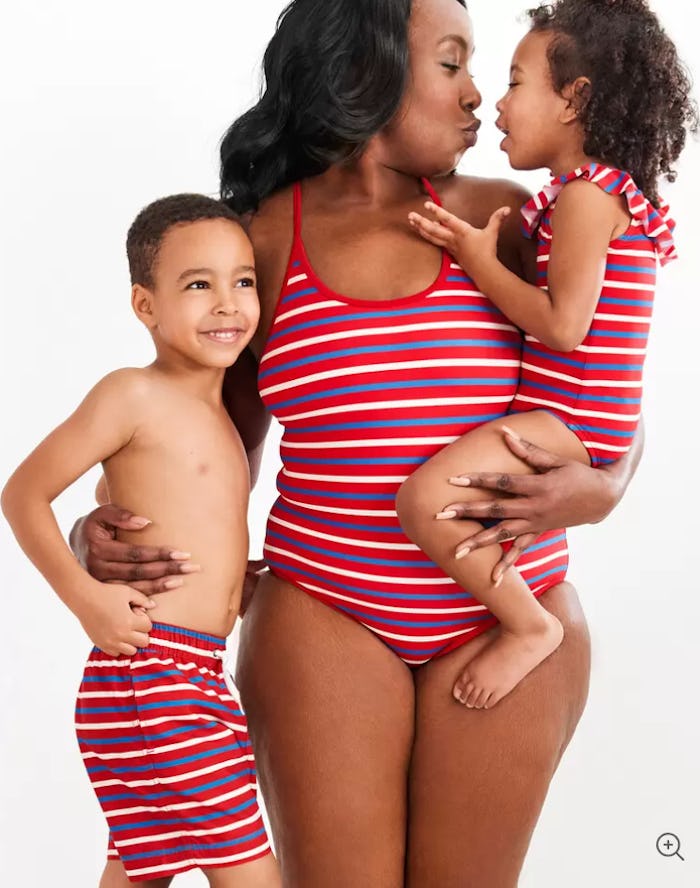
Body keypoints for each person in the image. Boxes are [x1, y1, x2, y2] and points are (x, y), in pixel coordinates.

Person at [70, 1, 650, 885]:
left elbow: (609, 374)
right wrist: (101, 530)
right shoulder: (264, 238)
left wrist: (610, 485)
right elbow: (203, 434)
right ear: (362, 72)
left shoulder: (507, 219)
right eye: (452, 64)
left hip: (509, 607)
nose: (476, 98)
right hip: (325, 609)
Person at [396, 0, 696, 711]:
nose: (494, 102)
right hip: (579, 413)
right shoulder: (592, 195)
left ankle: (529, 626)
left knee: (422, 498)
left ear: (575, 98)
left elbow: (564, 328)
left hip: (579, 418)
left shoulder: (588, 198)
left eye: (515, 81)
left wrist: (476, 258)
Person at [1, 194, 280, 888]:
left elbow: (123, 504)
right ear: (145, 307)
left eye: (242, 280)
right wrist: (86, 600)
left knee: (135, 870)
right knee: (249, 872)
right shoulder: (132, 394)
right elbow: (22, 494)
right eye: (197, 285)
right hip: (157, 678)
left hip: (184, 678)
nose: (227, 304)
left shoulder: (221, 412)